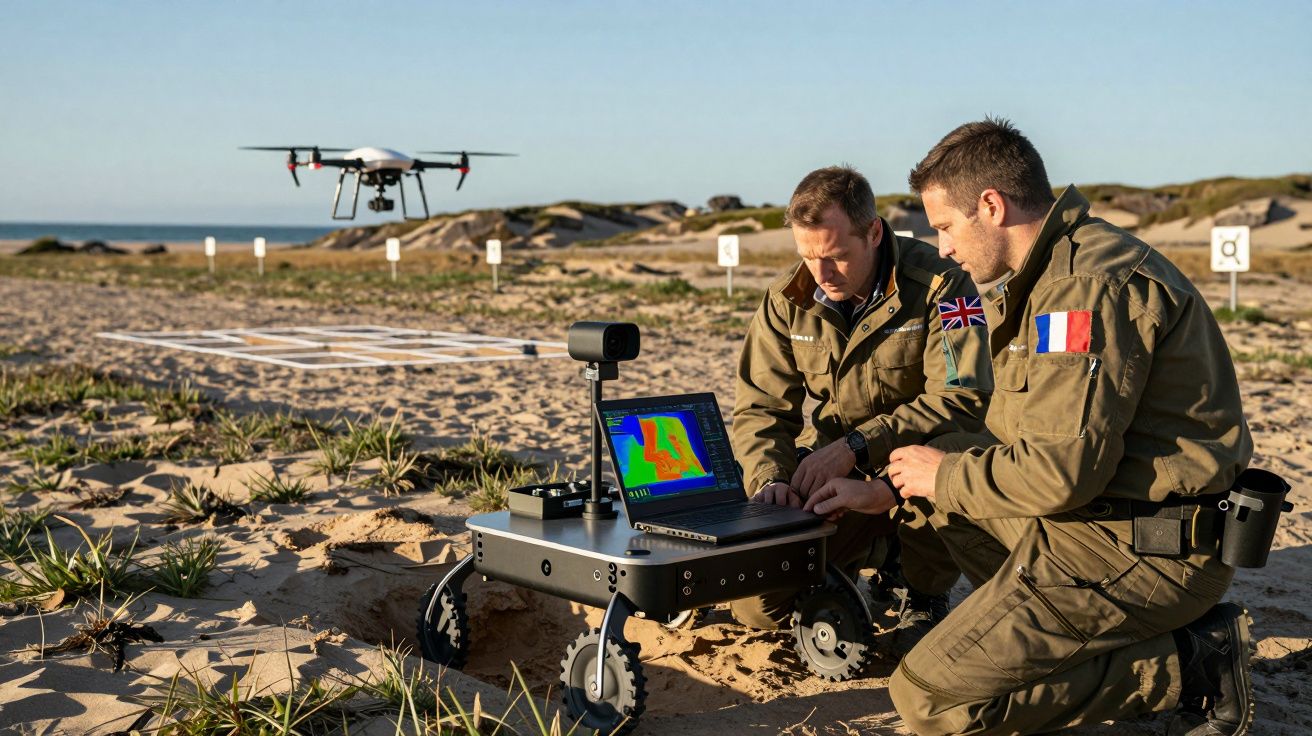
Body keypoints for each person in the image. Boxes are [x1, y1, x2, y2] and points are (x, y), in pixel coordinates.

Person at [849, 118, 1253, 735]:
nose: (946, 248)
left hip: (1145, 549)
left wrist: (948, 475)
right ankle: (1035, 632)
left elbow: (1063, 473)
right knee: (935, 460)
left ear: (991, 205)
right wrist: (906, 477)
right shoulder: (1050, 274)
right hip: (1103, 521)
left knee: (929, 699)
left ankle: (1189, 665)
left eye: (946, 227)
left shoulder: (1082, 287)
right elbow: (1017, 438)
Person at [731, 165, 991, 655]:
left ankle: (921, 588)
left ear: (874, 233)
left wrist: (857, 447)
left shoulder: (943, 286)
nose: (821, 276)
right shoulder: (788, 299)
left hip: (915, 470)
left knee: (953, 455)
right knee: (757, 608)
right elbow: (761, 409)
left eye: (835, 257)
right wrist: (771, 481)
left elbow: (962, 398)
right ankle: (861, 553)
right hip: (828, 474)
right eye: (808, 258)